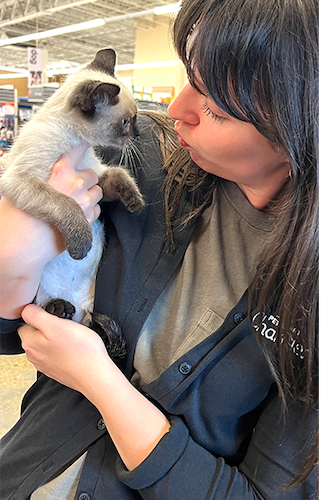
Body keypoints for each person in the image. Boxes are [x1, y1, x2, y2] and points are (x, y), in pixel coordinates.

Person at [0, 0, 319, 498]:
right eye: (189, 76)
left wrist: (103, 384)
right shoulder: (145, 153)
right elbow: (9, 331)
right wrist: (11, 257)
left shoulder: (308, 291)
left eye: (214, 106)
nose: (175, 111)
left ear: (300, 130)